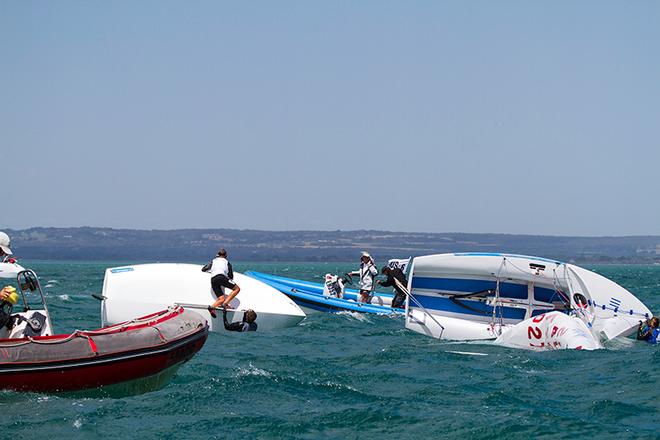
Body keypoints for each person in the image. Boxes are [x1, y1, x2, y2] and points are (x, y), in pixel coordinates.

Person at [202, 248, 240, 318]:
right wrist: (226, 279)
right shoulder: (227, 262)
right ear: (226, 256)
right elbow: (231, 276)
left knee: (221, 299)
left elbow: (204, 269)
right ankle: (225, 304)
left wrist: (212, 271)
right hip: (221, 277)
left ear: (217, 255)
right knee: (237, 289)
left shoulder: (213, 261)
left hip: (213, 279)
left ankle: (211, 307)